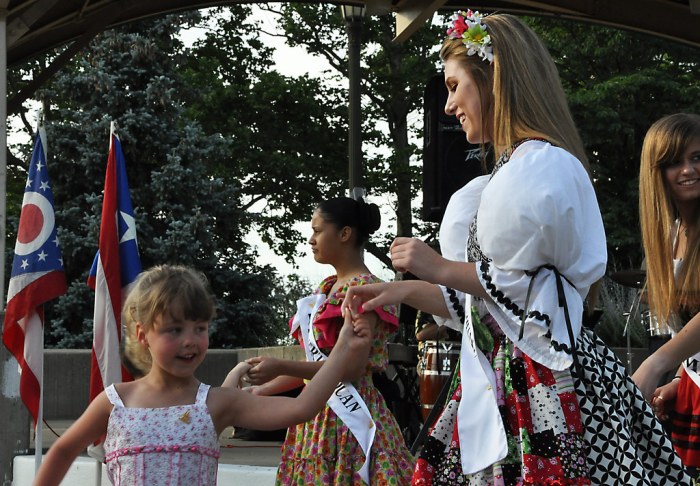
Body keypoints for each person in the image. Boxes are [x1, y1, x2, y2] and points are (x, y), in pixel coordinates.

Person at [344, 10, 690, 485]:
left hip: (542, 375)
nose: (449, 106)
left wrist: (436, 265)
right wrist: (400, 292)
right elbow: (486, 301)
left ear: (495, 81)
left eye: (453, 85)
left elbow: (524, 287)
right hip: (509, 371)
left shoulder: (540, 167)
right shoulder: (510, 174)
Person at [34, 264, 372, 486]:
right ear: (142, 335)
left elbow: (301, 409)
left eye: (200, 328)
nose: (190, 341)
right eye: (174, 329)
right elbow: (63, 451)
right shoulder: (115, 402)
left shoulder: (217, 403)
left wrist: (343, 350)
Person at [243, 196, 414, 485]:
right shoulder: (326, 290)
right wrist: (264, 391)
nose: (311, 239)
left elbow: (349, 369)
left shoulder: (364, 290)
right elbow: (315, 367)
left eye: (318, 230)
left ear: (345, 234)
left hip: (350, 419)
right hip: (315, 416)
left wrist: (280, 365)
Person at [632, 113, 700, 477]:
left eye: (698, 157)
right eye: (674, 161)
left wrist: (656, 364)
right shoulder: (670, 237)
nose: (688, 169)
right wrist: (680, 379)